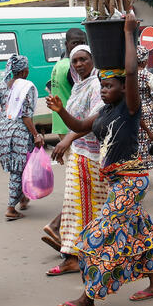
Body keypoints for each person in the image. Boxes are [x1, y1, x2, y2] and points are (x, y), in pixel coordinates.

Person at [49, 11, 153, 306]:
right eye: (102, 85)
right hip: (117, 181)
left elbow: (131, 72)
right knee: (137, 232)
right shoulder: (104, 111)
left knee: (99, 237)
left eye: (110, 85)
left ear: (123, 88)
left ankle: (88, 299)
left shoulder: (130, 108)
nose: (103, 89)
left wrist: (128, 33)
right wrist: (61, 111)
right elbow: (79, 125)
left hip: (130, 181)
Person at [44, 44, 106, 277]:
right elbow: (75, 120)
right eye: (75, 61)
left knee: (91, 206)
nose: (79, 64)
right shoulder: (80, 86)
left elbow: (95, 120)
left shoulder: (97, 85)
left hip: (93, 154)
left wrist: (68, 139)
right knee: (74, 206)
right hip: (79, 152)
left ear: (93, 60)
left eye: (83, 59)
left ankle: (91, 253)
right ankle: (73, 256)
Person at [41, 28, 87, 250]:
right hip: (72, 128)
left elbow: (49, 88)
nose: (77, 47)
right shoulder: (72, 66)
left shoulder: (59, 64)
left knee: (77, 180)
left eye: (81, 42)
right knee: (79, 182)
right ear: (66, 44)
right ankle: (58, 226)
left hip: (65, 126)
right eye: (74, 43)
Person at [0, 54, 43, 221]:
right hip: (19, 133)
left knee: (21, 166)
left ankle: (23, 198)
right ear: (24, 71)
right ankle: (11, 208)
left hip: (3, 131)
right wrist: (36, 135)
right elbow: (26, 116)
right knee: (18, 169)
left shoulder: (2, 85)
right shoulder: (26, 87)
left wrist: (4, 117)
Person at [135, 46, 153, 167]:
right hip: (146, 109)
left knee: (137, 138)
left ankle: (136, 164)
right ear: (144, 61)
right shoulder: (148, 76)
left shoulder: (128, 74)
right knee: (148, 138)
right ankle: (147, 164)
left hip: (131, 108)